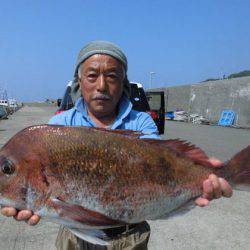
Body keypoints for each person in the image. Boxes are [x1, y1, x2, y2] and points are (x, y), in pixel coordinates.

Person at [1, 41, 233, 250]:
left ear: (123, 83)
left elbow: (160, 164)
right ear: (79, 82)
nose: (101, 85)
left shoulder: (141, 122)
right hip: (74, 239)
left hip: (130, 237)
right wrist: (24, 203)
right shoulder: (59, 124)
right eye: (92, 75)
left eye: (112, 76)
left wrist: (203, 177)